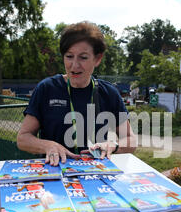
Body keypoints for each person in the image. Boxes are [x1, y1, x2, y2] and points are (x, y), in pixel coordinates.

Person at [17, 21, 136, 165]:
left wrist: (113, 145)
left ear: (97, 59)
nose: (74, 65)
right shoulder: (46, 88)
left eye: (83, 57)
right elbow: (23, 138)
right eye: (69, 56)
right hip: (55, 174)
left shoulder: (109, 93)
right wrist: (48, 145)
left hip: (96, 175)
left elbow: (131, 140)